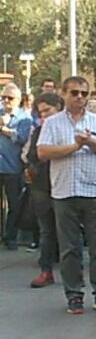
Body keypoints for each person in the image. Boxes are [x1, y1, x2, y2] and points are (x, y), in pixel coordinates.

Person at [37, 76, 96, 315]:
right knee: (69, 247)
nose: (80, 97)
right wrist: (74, 146)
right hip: (64, 191)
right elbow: (43, 152)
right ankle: (74, 294)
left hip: (92, 190)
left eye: (84, 93)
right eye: (74, 93)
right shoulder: (52, 123)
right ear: (64, 94)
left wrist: (89, 141)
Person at [26, 92, 64, 288]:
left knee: (69, 231)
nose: (44, 117)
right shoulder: (38, 132)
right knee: (47, 232)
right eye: (40, 113)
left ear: (58, 107)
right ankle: (46, 270)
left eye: (47, 111)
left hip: (65, 185)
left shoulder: (67, 128)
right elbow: (33, 155)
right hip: (43, 187)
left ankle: (74, 271)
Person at [0, 82, 31, 250]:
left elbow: (24, 138)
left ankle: (10, 237)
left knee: (14, 205)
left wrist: (5, 129)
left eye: (10, 98)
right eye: (3, 97)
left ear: (18, 100)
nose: (6, 101)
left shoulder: (24, 118)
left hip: (13, 168)